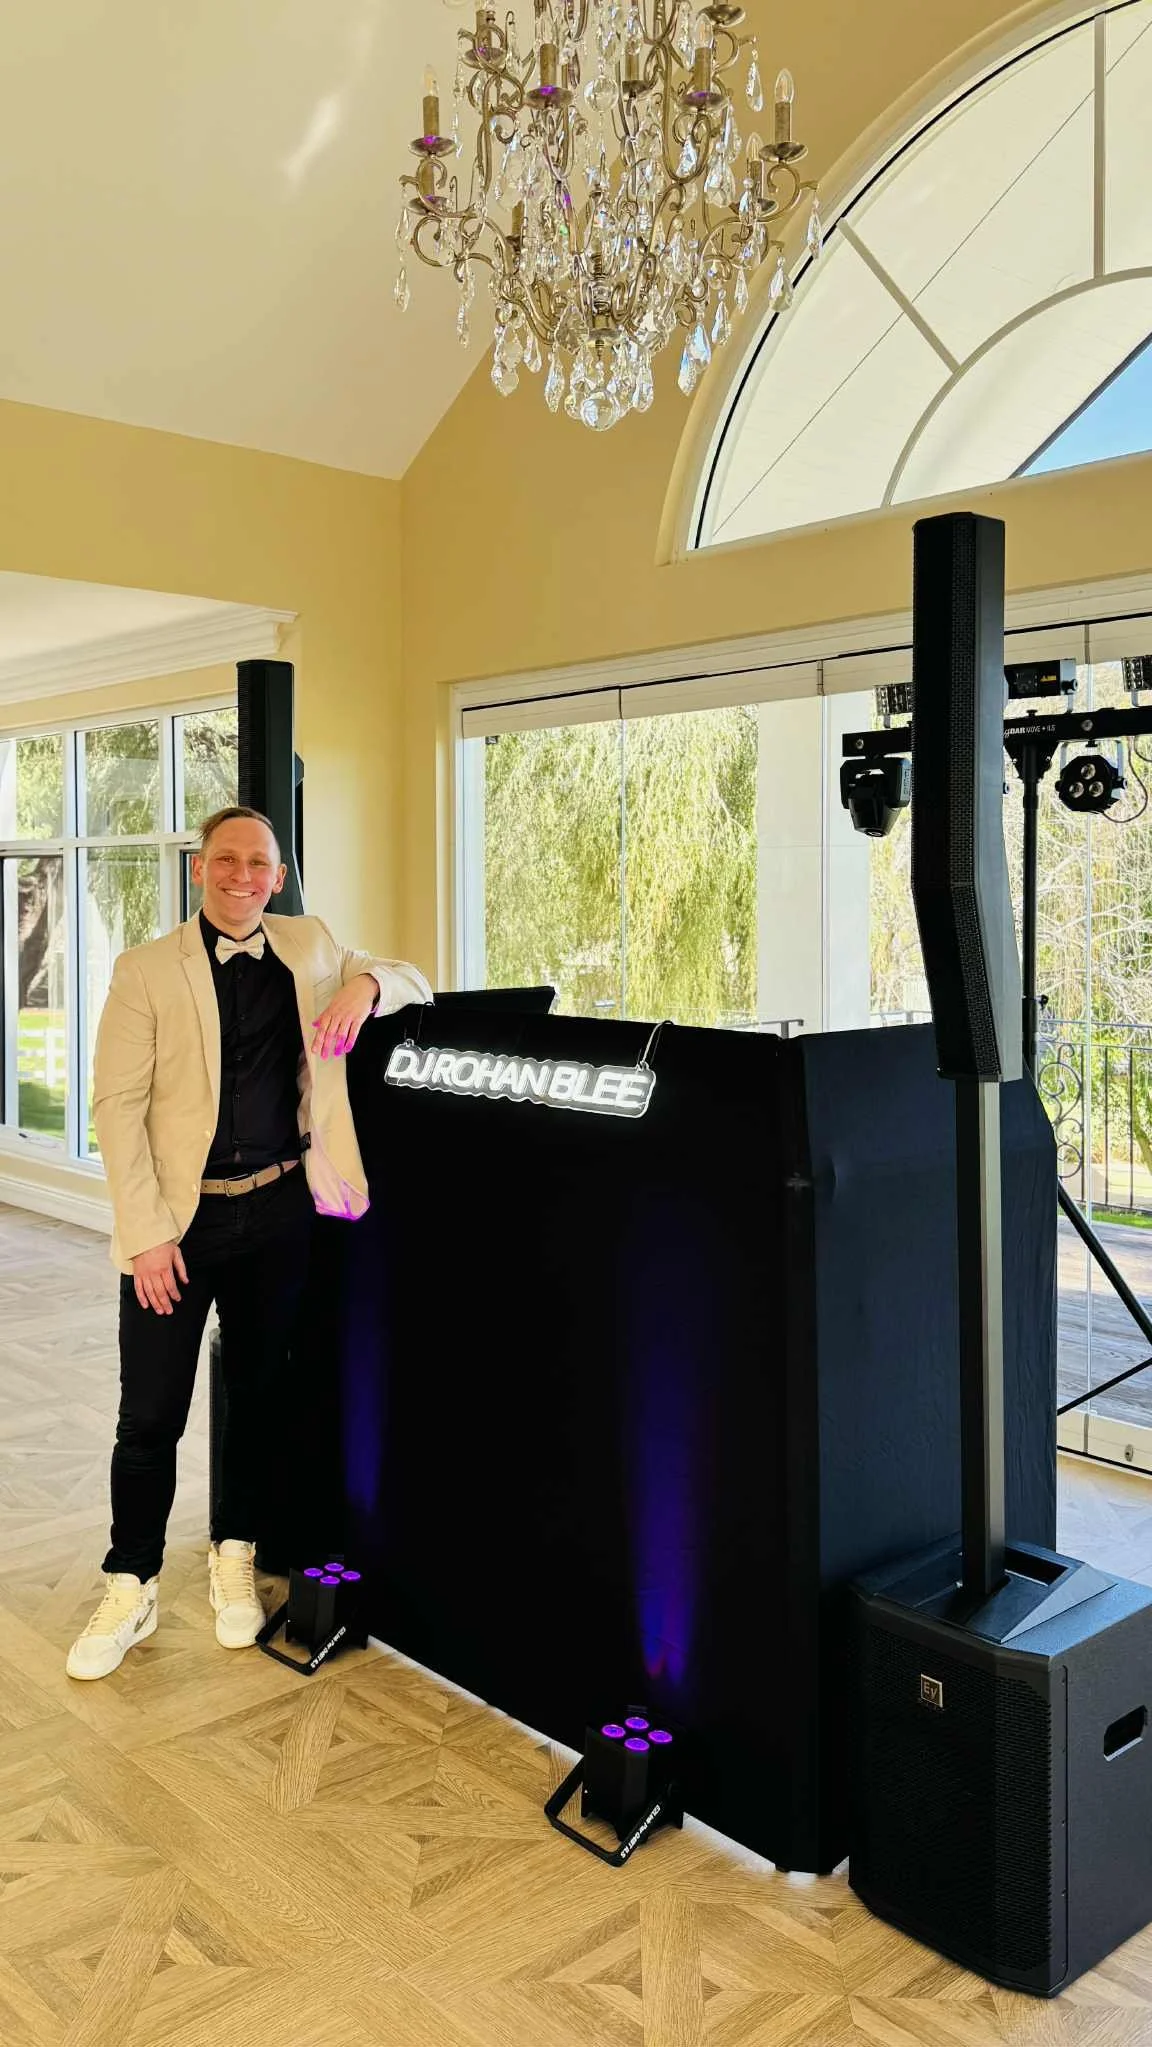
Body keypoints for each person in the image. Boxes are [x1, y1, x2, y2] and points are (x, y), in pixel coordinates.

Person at [66, 805, 431, 1680]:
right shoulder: (146, 968)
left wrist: (365, 988)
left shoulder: (308, 943)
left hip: (276, 1214)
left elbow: (413, 972)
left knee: (259, 1395)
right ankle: (131, 1577)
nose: (242, 876)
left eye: (259, 863)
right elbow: (114, 1109)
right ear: (200, 869)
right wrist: (148, 1235)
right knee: (149, 1412)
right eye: (225, 860)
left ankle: (235, 1550)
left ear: (277, 873)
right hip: (177, 1226)